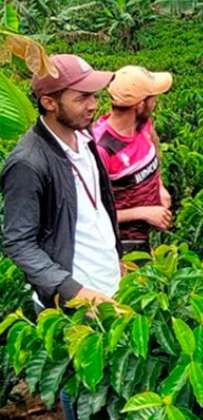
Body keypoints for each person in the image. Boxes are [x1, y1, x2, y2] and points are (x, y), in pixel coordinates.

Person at [1, 54, 121, 419]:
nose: (93, 104)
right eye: (81, 97)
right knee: (83, 391)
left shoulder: (84, 139)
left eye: (94, 95)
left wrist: (115, 259)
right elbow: (18, 242)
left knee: (109, 387)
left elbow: (95, 209)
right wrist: (73, 291)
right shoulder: (28, 162)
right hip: (73, 303)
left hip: (107, 287)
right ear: (49, 102)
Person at [92, 65, 173, 253]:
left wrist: (160, 186)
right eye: (153, 98)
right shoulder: (102, 150)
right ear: (140, 104)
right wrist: (144, 213)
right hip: (122, 245)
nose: (156, 102)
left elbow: (153, 147)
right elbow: (92, 214)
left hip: (151, 234)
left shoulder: (143, 124)